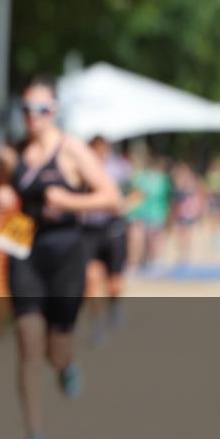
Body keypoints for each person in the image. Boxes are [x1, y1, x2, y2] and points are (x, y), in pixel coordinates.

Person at [0, 76, 120, 439]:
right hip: (23, 246)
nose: (34, 117)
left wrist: (68, 201)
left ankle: (66, 366)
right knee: (27, 343)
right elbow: (3, 191)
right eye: (27, 110)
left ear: (55, 111)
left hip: (66, 252)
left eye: (42, 109)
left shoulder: (73, 151)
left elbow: (111, 198)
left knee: (55, 350)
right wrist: (1, 196)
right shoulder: (10, 154)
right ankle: (35, 436)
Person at [81, 136, 132, 344]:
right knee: (91, 279)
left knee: (115, 283)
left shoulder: (120, 169)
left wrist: (123, 205)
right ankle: (98, 322)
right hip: (89, 230)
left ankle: (114, 304)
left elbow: (136, 193)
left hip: (113, 229)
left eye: (102, 150)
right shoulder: (81, 168)